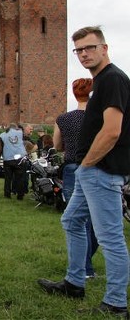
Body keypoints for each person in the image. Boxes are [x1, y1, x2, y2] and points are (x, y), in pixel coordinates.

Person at [38, 26, 130, 317]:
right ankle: (74, 283)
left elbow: (112, 131)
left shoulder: (112, 79)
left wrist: (88, 164)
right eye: (78, 50)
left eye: (90, 48)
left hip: (99, 170)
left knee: (110, 237)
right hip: (90, 171)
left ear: (104, 48)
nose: (84, 54)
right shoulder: (101, 81)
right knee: (71, 221)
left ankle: (116, 302)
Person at [53, 78, 98, 278]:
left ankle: (83, 267)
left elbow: (57, 145)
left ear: (74, 93)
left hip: (71, 168)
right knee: (94, 219)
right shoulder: (99, 117)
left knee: (77, 220)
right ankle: (87, 265)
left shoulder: (63, 119)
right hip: (96, 167)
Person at [0, 123, 27, 200]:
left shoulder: (2, 135)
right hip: (20, 158)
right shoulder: (20, 132)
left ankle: (7, 194)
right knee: (20, 178)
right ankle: (20, 195)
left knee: (8, 178)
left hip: (8, 159)